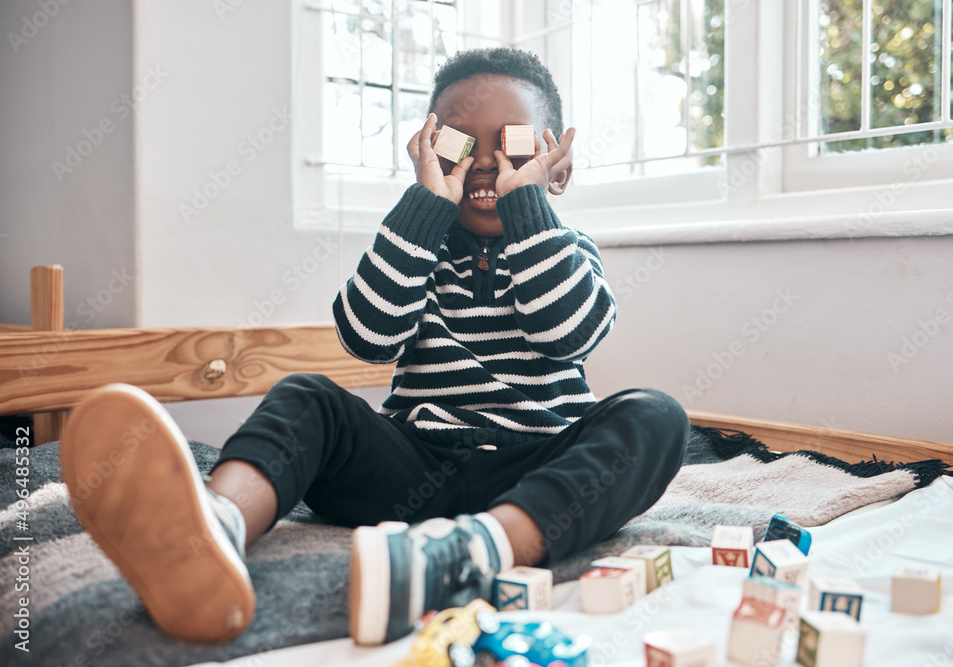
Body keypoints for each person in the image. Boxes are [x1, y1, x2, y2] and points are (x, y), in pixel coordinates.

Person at [61, 47, 689, 647]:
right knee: (307, 396)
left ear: (560, 166)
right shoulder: (416, 248)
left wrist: (527, 204)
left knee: (655, 416)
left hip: (535, 469)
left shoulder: (571, 250)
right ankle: (213, 529)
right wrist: (423, 209)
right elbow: (368, 336)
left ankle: (473, 550)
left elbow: (568, 332)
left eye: (515, 146)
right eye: (462, 145)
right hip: (414, 467)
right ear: (431, 149)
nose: (487, 164)